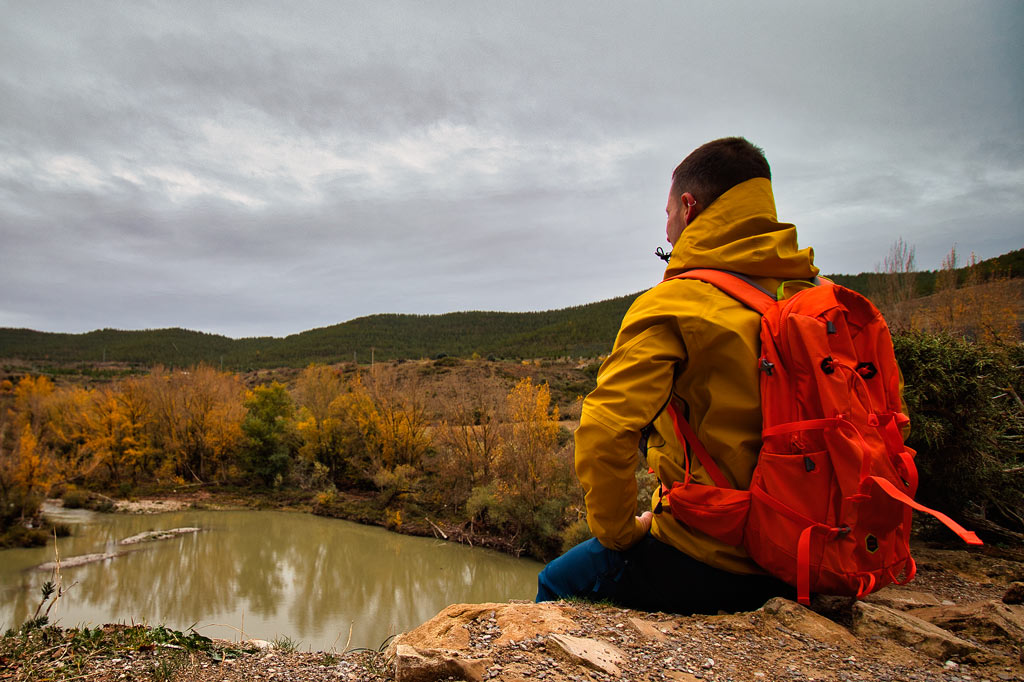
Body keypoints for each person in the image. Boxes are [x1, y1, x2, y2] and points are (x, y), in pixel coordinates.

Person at [537, 137, 818, 614]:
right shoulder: (817, 299)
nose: (667, 232)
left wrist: (624, 533)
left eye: (667, 215)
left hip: (716, 557)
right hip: (813, 553)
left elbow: (605, 430)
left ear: (689, 208)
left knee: (555, 584)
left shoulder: (678, 303)